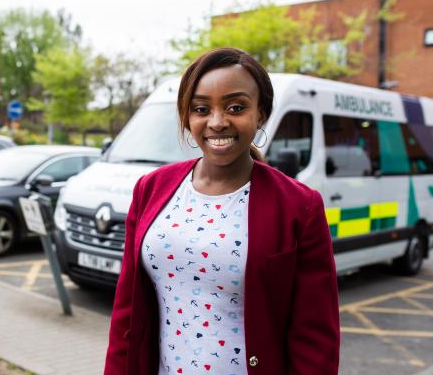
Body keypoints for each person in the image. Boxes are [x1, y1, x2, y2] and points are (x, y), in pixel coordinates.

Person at [104, 47, 339, 375]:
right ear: (188, 116)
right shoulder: (150, 189)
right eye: (201, 108)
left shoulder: (299, 206)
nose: (217, 122)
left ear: (260, 113)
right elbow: (127, 314)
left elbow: (315, 337)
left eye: (236, 107)